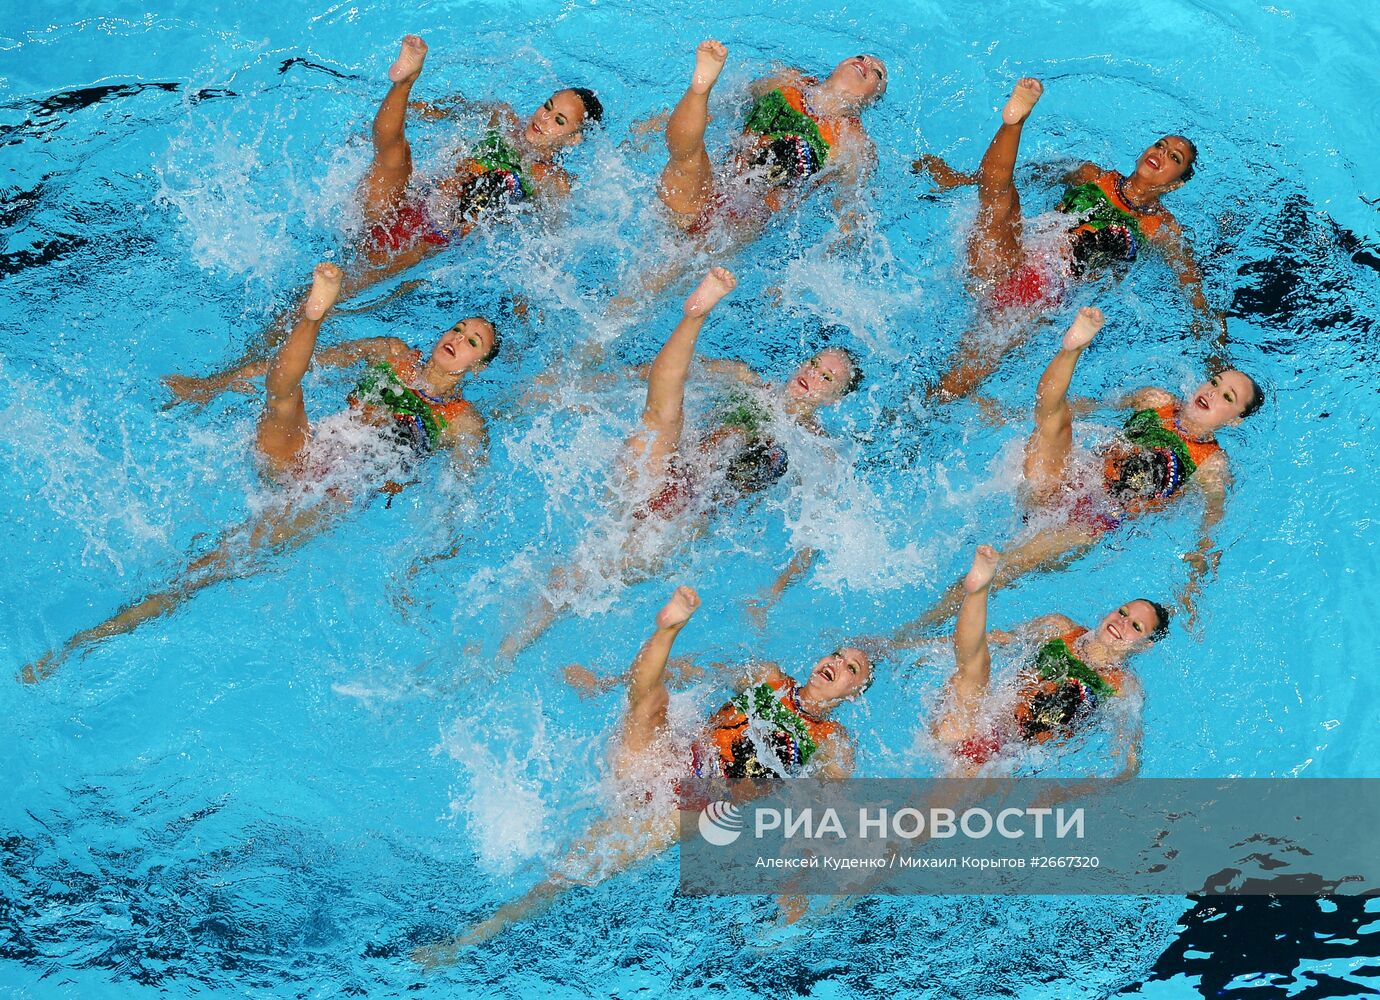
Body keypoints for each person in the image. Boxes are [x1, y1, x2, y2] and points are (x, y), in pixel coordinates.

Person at [22, 263, 498, 682]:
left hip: (334, 495)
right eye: (457, 328)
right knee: (284, 394)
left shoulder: (463, 423)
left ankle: (81, 643)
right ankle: (315, 315)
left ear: (477, 367)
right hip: (310, 450)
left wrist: (424, 564)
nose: (456, 338)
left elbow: (462, 500)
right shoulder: (390, 352)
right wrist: (210, 386)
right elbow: (305, 367)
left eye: (471, 341)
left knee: (205, 570)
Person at [414, 584, 872, 961]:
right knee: (651, 701)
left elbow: (821, 813)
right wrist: (603, 682)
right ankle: (668, 630)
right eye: (836, 654)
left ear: (855, 693)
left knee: (569, 873)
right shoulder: (767, 676)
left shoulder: (833, 742)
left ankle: (462, 944)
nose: (835, 663)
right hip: (674, 759)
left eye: (850, 668)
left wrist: (797, 881)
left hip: (701, 803)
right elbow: (698, 670)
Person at [181, 34, 600, 391]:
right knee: (394, 154)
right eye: (547, 106)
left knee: (312, 302)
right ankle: (404, 83)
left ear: (574, 141)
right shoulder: (500, 117)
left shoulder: (552, 181)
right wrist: (420, 110)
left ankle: (229, 377)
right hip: (414, 200)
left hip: (426, 237)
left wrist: (532, 296)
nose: (543, 118)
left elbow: (550, 239)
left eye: (559, 120)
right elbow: (445, 111)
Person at [500, 267, 863, 658]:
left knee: (578, 576)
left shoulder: (814, 449)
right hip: (662, 466)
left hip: (684, 516)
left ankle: (506, 649)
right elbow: (644, 378)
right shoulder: (743, 379)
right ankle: (695, 314)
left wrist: (774, 593)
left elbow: (815, 533)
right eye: (813, 363)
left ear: (833, 400)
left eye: (827, 378)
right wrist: (569, 391)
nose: (812, 374)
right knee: (664, 416)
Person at [895, 306, 1262, 638]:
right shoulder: (1155, 400)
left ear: (1235, 421)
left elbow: (1212, 523)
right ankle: (1071, 349)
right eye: (1215, 383)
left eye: (1227, 398)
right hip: (1069, 478)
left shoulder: (1211, 464)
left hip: (1086, 521)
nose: (1212, 393)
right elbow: (1092, 408)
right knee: (1056, 419)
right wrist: (1005, 415)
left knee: (996, 573)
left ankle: (916, 629)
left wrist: (1193, 581)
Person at [914, 77, 1213, 398]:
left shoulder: (1160, 228)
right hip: (1013, 251)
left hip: (1041, 290)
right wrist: (962, 180)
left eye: (1174, 159)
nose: (1161, 154)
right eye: (1160, 145)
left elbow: (1190, 280)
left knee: (959, 376)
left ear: (1175, 184)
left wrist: (1209, 335)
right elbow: (1028, 174)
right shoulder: (1091, 175)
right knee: (1002, 197)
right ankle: (1015, 121)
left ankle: (914, 416)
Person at [934, 544, 1165, 772]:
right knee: (974, 671)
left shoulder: (1123, 686)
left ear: (1144, 646)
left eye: (1136, 626)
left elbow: (1126, 752)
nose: (1122, 622)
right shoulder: (1059, 629)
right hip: (977, 719)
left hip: (1004, 755)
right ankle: (978, 589)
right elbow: (997, 639)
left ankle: (978, 590)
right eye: (1123, 612)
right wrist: (913, 647)